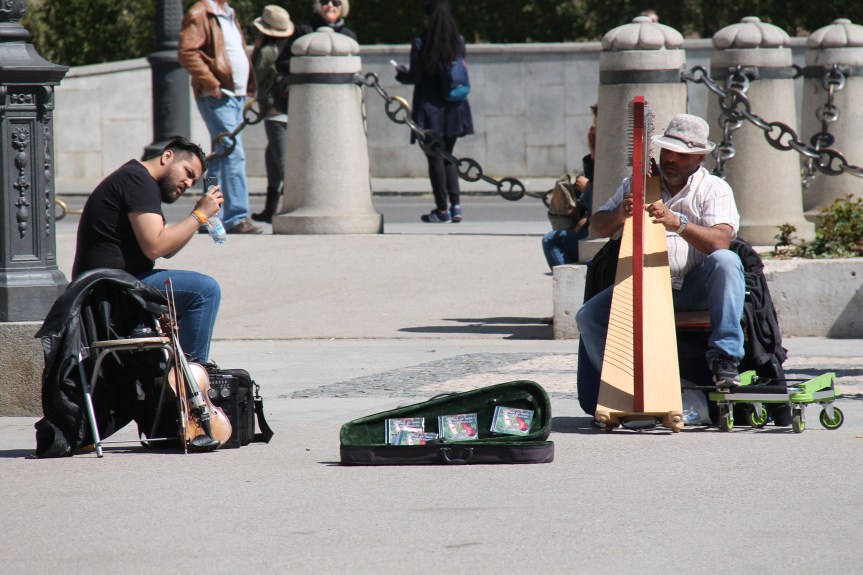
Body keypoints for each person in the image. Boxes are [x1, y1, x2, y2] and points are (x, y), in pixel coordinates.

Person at [575, 113, 745, 390]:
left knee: (726, 261)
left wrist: (679, 223)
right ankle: (621, 388)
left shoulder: (714, 189)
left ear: (700, 158)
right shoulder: (637, 184)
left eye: (681, 155)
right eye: (668, 151)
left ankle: (724, 358)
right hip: (645, 284)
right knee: (589, 317)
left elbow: (720, 242)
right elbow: (596, 227)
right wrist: (620, 213)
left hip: (695, 286)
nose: (671, 159)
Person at [72, 137, 223, 363]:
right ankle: (191, 380)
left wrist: (198, 218)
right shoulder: (137, 180)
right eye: (188, 173)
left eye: (195, 180)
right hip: (109, 288)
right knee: (204, 290)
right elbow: (156, 246)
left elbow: (167, 249)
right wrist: (198, 215)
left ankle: (178, 376)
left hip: (118, 283)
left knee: (195, 291)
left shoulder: (140, 181)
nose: (189, 183)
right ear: (167, 156)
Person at [179, 0, 262, 235]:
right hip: (218, 95)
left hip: (234, 95)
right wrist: (211, 82)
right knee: (233, 154)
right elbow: (187, 51)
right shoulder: (201, 12)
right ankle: (236, 217)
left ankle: (209, 217)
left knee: (220, 158)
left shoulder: (227, 13)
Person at [395, 0, 474, 223]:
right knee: (449, 156)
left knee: (434, 158)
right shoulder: (458, 41)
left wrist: (400, 73)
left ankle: (442, 210)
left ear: (428, 18)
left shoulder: (421, 42)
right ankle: (456, 207)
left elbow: (415, 76)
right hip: (455, 107)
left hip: (429, 108)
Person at [250, 5, 296, 224]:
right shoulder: (288, 48)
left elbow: (255, 75)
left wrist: (255, 51)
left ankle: (293, 208)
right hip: (288, 109)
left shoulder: (268, 51)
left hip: (274, 111)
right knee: (272, 159)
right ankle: (270, 208)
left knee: (283, 160)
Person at [542, 104, 597, 270]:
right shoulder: (602, 154)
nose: (592, 132)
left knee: (551, 240)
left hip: (605, 232)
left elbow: (606, 199)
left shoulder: (614, 154)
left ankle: (575, 287)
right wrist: (593, 155)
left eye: (597, 126)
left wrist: (587, 189)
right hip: (594, 224)